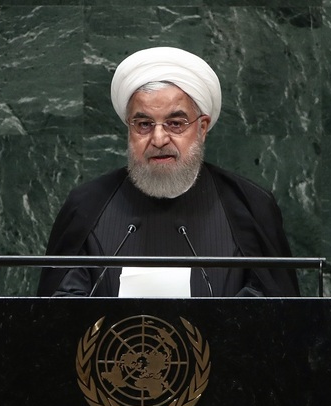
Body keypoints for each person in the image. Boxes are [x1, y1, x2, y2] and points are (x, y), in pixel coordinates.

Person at [37, 47, 299, 297]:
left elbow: (272, 318)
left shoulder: (250, 206)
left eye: (175, 124)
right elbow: (61, 315)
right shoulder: (86, 206)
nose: (159, 138)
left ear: (203, 127)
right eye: (144, 124)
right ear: (129, 129)